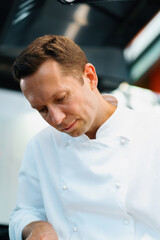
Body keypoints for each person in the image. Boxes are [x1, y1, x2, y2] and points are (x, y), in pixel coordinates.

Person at [9, 35, 160, 240]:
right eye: (42, 109)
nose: (57, 119)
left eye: (61, 98)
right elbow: (23, 212)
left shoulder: (152, 131)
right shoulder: (40, 146)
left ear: (90, 77)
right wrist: (36, 227)